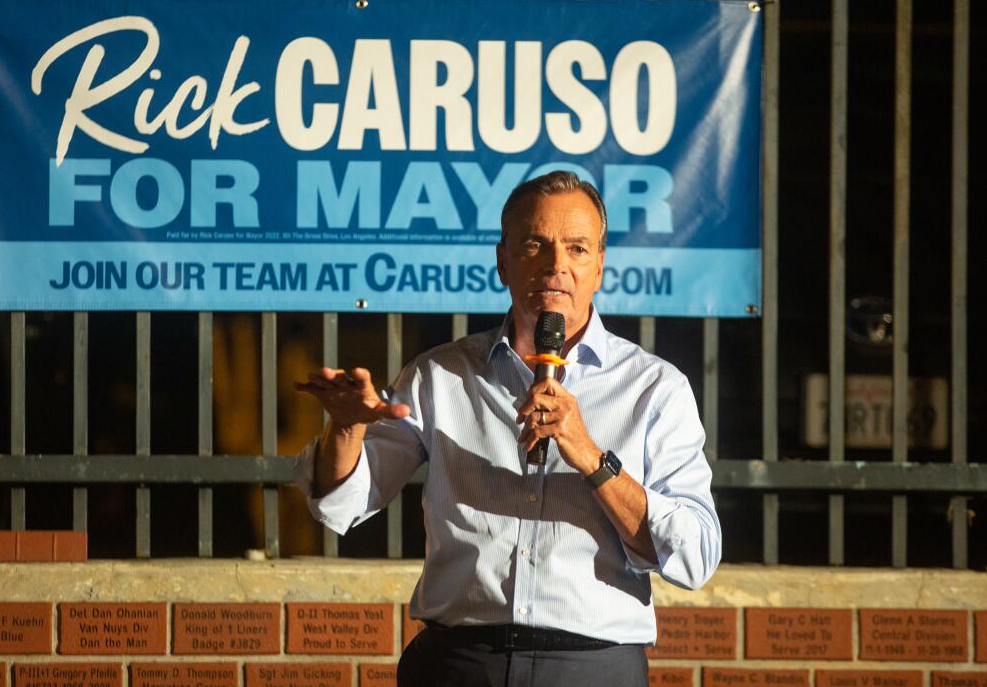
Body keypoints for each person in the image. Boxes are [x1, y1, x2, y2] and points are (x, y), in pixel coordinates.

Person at [293, 170, 721, 686]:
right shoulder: (440, 375)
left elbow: (696, 555)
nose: (556, 265)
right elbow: (341, 503)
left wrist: (589, 455)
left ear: (600, 266)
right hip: (459, 663)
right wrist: (345, 430)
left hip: (594, 667)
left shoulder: (655, 388)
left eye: (577, 248)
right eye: (535, 245)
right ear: (502, 262)